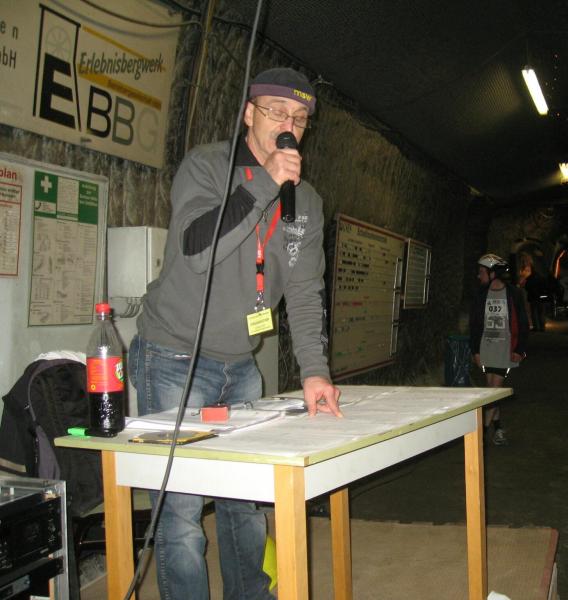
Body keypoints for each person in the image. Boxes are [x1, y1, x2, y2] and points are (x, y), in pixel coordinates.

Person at [128, 67, 342, 600]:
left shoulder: (306, 202)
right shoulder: (207, 166)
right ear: (249, 113)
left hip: (241, 367)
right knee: (180, 515)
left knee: (244, 505)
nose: (288, 126)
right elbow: (198, 250)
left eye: (300, 118)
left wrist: (315, 372)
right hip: (174, 358)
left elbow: (305, 291)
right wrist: (265, 182)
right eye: (276, 112)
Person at [469, 253, 528, 445]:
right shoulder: (481, 294)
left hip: (505, 349)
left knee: (494, 391)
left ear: (493, 273)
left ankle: (481, 434)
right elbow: (474, 324)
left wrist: (519, 349)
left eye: (482, 272)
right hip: (486, 349)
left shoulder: (513, 293)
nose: (479, 275)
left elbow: (523, 322)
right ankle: (499, 429)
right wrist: (475, 351)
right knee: (491, 390)